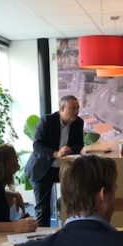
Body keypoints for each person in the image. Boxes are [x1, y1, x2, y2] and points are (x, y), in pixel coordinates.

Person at [25, 95, 84, 226]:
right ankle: (43, 236)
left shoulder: (78, 122)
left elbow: (79, 144)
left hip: (62, 168)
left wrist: (70, 149)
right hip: (42, 168)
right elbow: (37, 145)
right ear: (62, 109)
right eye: (72, 108)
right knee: (43, 209)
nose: (76, 111)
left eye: (77, 108)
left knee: (73, 200)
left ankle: (70, 231)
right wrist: (56, 153)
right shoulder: (47, 121)